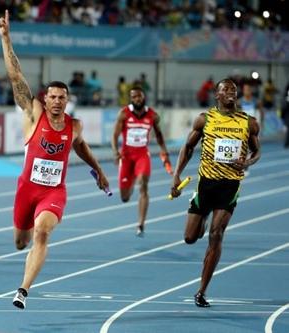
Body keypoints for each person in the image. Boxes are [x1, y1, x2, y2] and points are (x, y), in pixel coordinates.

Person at [0, 10, 110, 310]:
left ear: (67, 100)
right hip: (27, 189)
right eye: (53, 96)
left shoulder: (74, 126)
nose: (57, 101)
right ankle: (27, 255)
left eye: (62, 97)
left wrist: (98, 170)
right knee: (20, 242)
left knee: (42, 233)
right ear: (45, 99)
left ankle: (22, 290)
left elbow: (81, 147)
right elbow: (15, 77)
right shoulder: (33, 114)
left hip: (53, 191)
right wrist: (6, 39)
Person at [170, 79, 261, 307]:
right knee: (190, 238)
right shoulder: (205, 119)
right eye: (225, 90)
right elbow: (189, 147)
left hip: (229, 185)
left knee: (216, 234)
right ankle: (204, 211)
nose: (231, 92)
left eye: (233, 90)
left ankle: (201, 291)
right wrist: (176, 175)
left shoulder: (248, 123)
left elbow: (257, 151)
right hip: (206, 184)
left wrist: (248, 161)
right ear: (217, 96)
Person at [111, 86, 172, 237]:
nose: (137, 99)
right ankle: (131, 179)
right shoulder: (124, 114)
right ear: (131, 99)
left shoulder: (152, 115)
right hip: (126, 156)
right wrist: (115, 152)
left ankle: (141, 223)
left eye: (139, 96)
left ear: (144, 97)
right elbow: (114, 135)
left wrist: (163, 149)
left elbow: (159, 135)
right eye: (134, 97)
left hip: (142, 154)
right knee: (125, 197)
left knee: (143, 185)